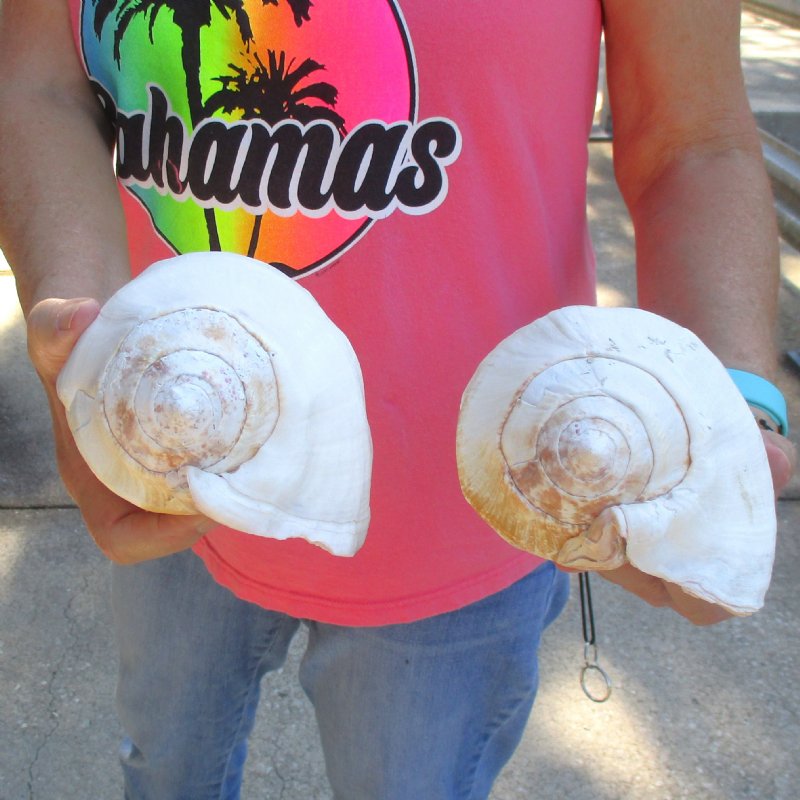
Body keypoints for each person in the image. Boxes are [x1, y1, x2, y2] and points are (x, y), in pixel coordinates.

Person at [0, 1, 796, 797]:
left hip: (465, 518)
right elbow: (38, 84)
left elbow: (692, 143)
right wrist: (80, 346)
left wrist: (733, 413)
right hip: (167, 464)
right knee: (164, 765)